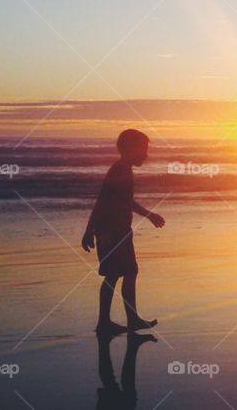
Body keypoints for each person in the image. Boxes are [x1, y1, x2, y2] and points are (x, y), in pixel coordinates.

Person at [82, 129, 165, 334]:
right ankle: (110, 321)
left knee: (125, 272)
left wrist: (148, 215)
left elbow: (125, 201)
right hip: (112, 232)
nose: (146, 155)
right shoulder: (120, 169)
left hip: (119, 231)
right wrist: (91, 230)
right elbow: (103, 200)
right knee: (115, 274)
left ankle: (121, 319)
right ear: (131, 149)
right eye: (143, 150)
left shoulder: (123, 169)